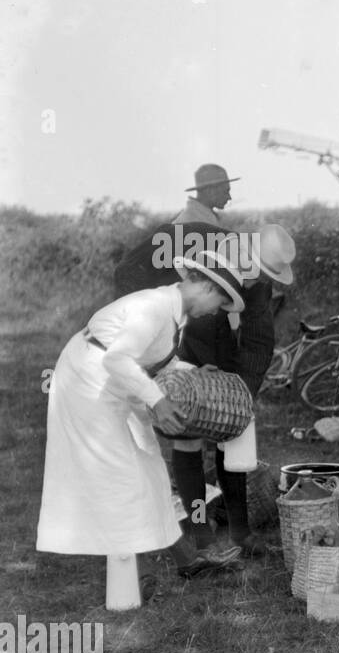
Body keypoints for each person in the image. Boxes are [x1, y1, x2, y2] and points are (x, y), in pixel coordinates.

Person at [37, 252, 249, 582]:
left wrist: (193, 372)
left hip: (117, 381)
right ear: (206, 287)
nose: (215, 313)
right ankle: (129, 581)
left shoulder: (173, 314)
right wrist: (159, 402)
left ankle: (187, 560)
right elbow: (118, 360)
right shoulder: (153, 307)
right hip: (88, 380)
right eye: (219, 304)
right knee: (121, 475)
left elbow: (157, 362)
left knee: (150, 469)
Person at [169, 226, 296, 558]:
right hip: (189, 352)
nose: (259, 282)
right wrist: (195, 375)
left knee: (236, 436)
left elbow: (258, 339)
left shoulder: (257, 288)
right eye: (260, 274)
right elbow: (188, 322)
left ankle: (241, 532)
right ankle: (199, 531)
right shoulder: (212, 264)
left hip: (231, 363)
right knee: (187, 439)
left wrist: (242, 391)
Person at [112, 164, 240, 299]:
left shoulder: (202, 217)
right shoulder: (192, 222)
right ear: (211, 191)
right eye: (226, 191)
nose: (229, 197)